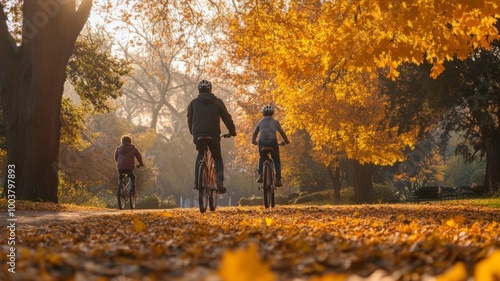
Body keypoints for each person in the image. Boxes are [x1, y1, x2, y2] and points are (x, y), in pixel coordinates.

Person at [187, 79, 237, 194]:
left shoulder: (193, 103)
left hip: (197, 135)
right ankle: (219, 183)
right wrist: (232, 131)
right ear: (210, 89)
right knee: (217, 157)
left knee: (200, 154)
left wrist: (192, 132)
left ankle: (197, 182)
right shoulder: (217, 102)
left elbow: (189, 120)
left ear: (199, 90)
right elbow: (226, 118)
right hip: (213, 135)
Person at [252, 105, 289, 187]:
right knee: (276, 160)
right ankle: (278, 179)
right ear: (272, 113)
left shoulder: (260, 122)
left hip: (262, 142)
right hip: (273, 142)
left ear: (263, 114)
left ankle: (261, 175)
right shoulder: (276, 122)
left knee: (262, 158)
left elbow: (254, 133)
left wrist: (253, 141)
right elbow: (282, 132)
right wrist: (286, 140)